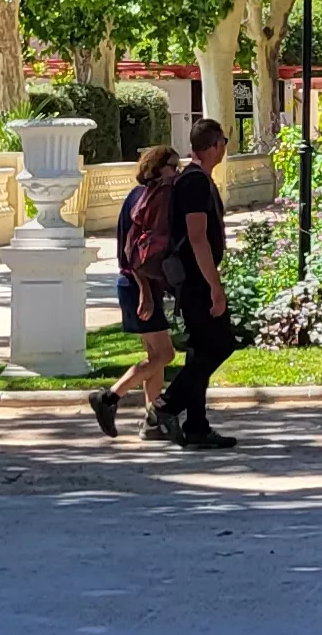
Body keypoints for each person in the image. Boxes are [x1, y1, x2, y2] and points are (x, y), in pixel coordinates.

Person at [155, 117, 244, 450]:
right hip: (195, 281)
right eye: (223, 141)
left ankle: (196, 426)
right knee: (219, 346)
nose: (225, 147)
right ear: (213, 146)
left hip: (195, 280)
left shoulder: (196, 179)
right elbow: (197, 238)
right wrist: (214, 287)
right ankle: (166, 406)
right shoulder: (193, 182)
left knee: (200, 353)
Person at [89, 146, 185, 440]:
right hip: (138, 286)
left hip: (134, 285)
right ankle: (109, 398)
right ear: (158, 168)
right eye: (173, 165)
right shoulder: (150, 199)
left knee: (154, 357)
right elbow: (136, 252)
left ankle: (152, 421)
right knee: (166, 354)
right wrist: (145, 291)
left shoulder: (139, 195)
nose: (177, 171)